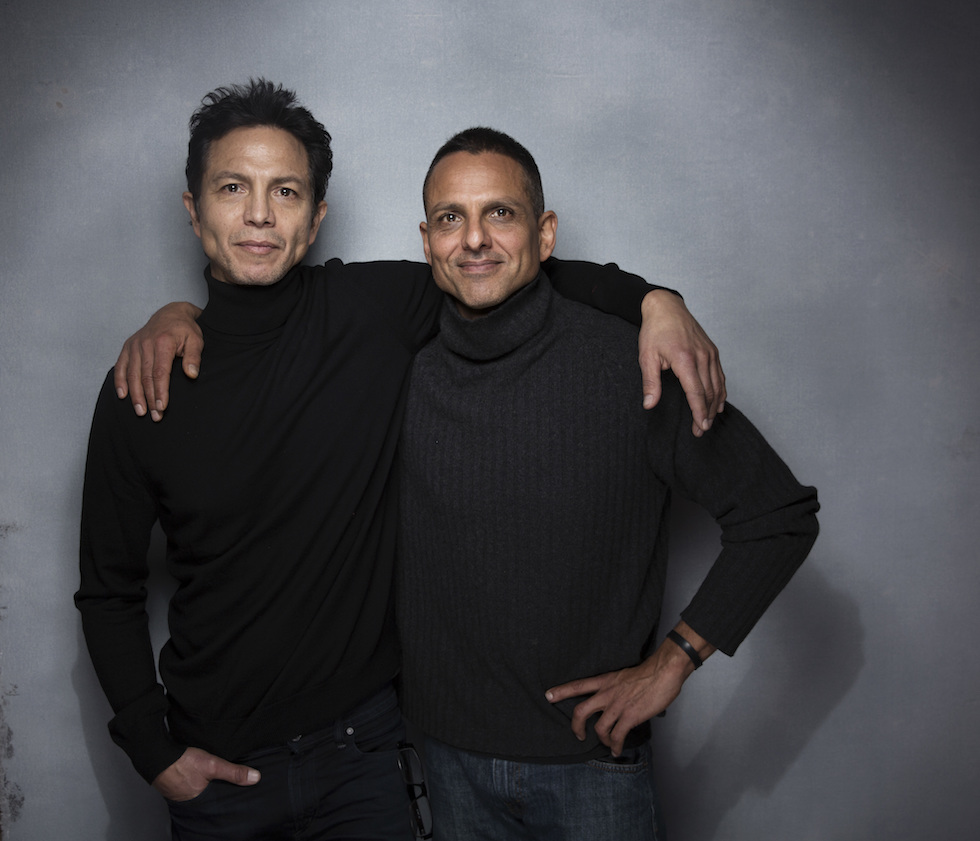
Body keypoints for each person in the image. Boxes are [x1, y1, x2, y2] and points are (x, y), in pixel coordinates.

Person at [76, 80, 726, 841]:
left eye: (285, 190)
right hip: (217, 771)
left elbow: (508, 268)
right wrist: (154, 752)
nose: (258, 214)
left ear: (316, 215)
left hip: (366, 758)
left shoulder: (374, 310)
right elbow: (109, 588)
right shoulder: (143, 385)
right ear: (194, 211)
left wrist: (655, 299)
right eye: (232, 188)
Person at [393, 128, 820, 840]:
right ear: (427, 240)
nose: (473, 238)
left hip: (591, 766)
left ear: (545, 234)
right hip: (446, 757)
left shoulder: (633, 363)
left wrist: (674, 660)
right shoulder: (397, 366)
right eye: (449, 217)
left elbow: (778, 515)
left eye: (500, 213)